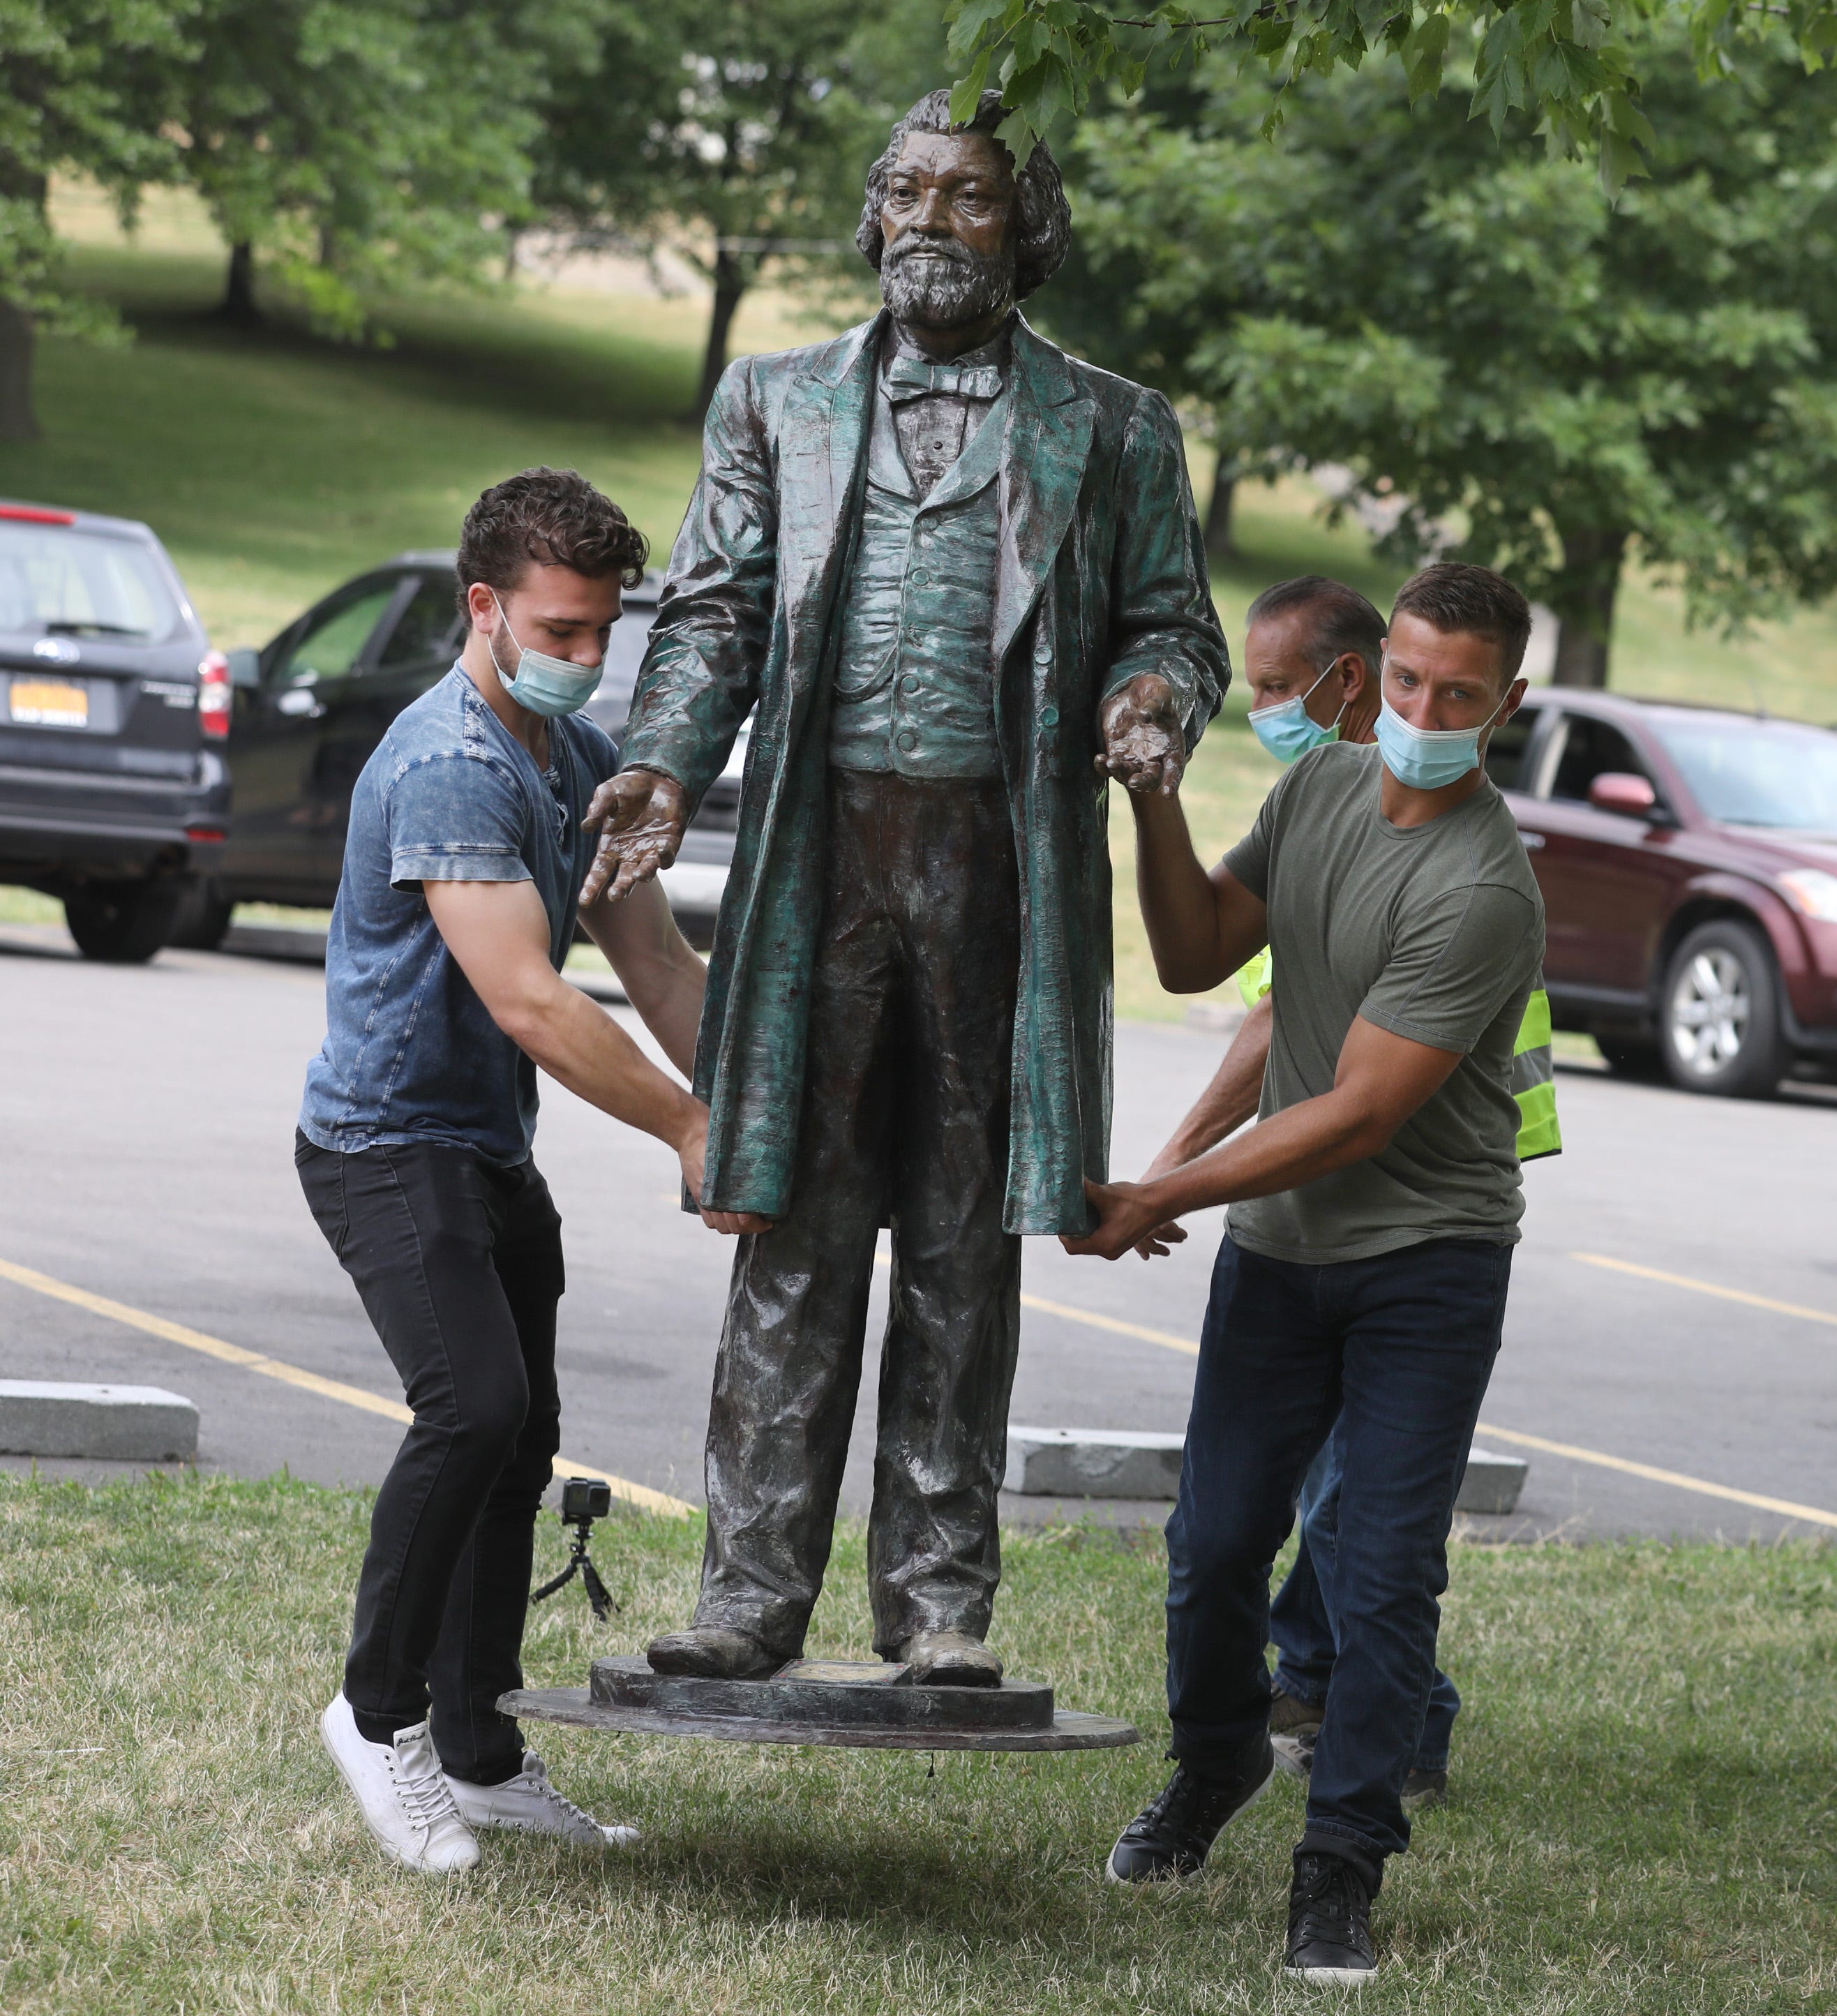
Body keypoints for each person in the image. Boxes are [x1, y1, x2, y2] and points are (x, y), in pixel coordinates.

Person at [579, 89, 1227, 1690]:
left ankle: (939, 1598)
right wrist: (662, 763)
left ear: (1030, 227)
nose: (936, 220)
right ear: (875, 217)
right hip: (823, 852)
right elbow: (717, 612)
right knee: (792, 1213)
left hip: (1001, 863)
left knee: (960, 1233)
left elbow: (1177, 626)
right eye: (912, 193)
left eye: (975, 197)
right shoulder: (775, 401)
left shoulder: (1118, 424)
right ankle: (748, 1586)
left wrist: (1151, 703)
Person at [1067, 562, 1545, 1983]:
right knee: (1212, 1546)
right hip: (1279, 1257)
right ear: (1376, 669)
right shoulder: (1323, 793)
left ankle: (1340, 1861)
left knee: (1381, 1570)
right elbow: (1197, 947)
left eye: (1459, 694)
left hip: (1426, 1263)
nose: (1422, 710)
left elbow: (1355, 1111)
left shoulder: (1484, 886)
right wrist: (1152, 796)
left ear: (1505, 703)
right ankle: (1216, 1765)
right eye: (1407, 680)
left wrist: (1160, 1189)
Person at [298, 468, 742, 1875]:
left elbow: (651, 954)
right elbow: (533, 1001)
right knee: (471, 1404)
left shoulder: (569, 751)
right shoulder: (449, 763)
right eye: (559, 629)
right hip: (384, 1141)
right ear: (482, 606)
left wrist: (745, 1097)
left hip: (486, 1147)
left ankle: (478, 1748)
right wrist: (685, 1128)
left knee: (522, 1437)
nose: (584, 655)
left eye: (601, 630)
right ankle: (377, 1721)